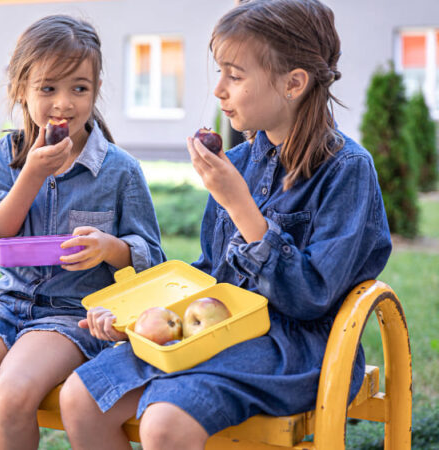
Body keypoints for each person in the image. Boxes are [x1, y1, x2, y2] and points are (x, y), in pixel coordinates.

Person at [59, 1, 393, 449]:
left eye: (235, 76)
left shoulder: (346, 170)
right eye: (219, 72)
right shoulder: (236, 163)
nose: (218, 90)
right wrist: (142, 318)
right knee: (82, 398)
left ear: (294, 83)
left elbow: (312, 297)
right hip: (216, 328)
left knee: (165, 424)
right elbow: (210, 273)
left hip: (295, 348)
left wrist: (241, 206)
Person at [0, 14, 165, 450]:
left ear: (95, 90)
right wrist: (30, 174)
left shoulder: (119, 170)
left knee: (10, 397)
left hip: (71, 315)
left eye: (79, 88)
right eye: (48, 88)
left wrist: (108, 247)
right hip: (8, 304)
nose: (64, 103)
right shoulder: (8, 155)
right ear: (21, 91)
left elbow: (150, 257)